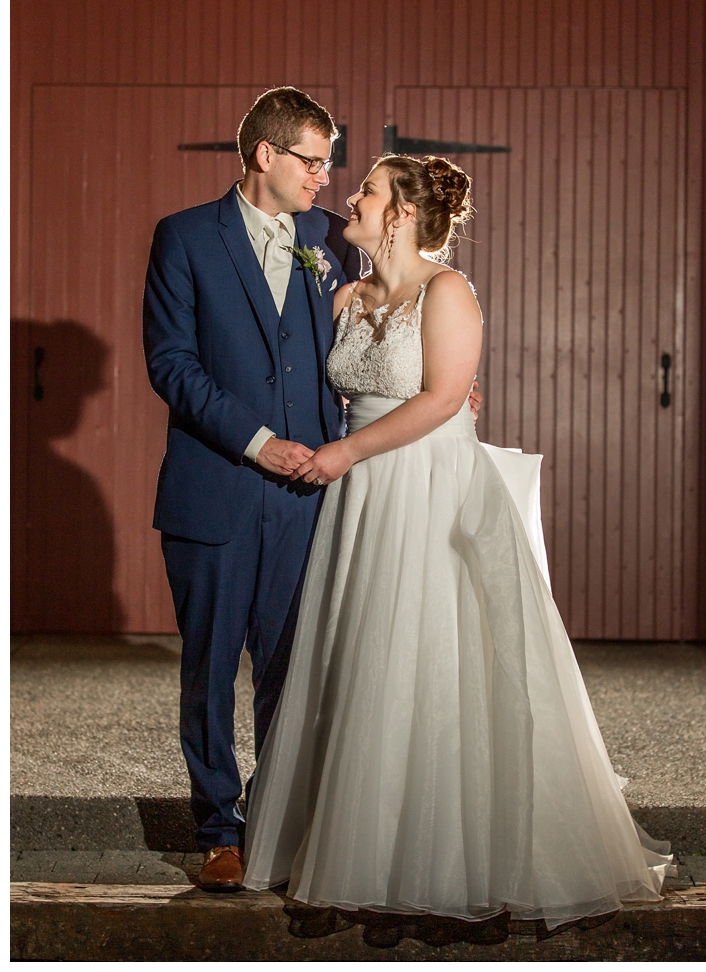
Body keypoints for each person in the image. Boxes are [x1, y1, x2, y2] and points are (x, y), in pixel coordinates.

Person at [242, 154, 676, 929]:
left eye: (367, 190)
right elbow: (327, 389)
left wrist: (347, 452)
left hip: (426, 487)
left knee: (430, 662)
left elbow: (445, 398)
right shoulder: (346, 294)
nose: (352, 196)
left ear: (401, 214)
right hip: (362, 501)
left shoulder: (448, 291)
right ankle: (352, 860)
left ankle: (439, 873)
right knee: (361, 661)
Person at [143, 85, 484, 893]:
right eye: (312, 159)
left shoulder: (330, 239)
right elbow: (171, 367)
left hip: (316, 499)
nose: (327, 178)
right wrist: (261, 445)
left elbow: (403, 309)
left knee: (299, 671)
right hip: (219, 486)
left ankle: (278, 821)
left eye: (333, 164)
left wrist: (444, 391)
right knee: (211, 666)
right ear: (266, 154)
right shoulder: (185, 238)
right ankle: (218, 830)